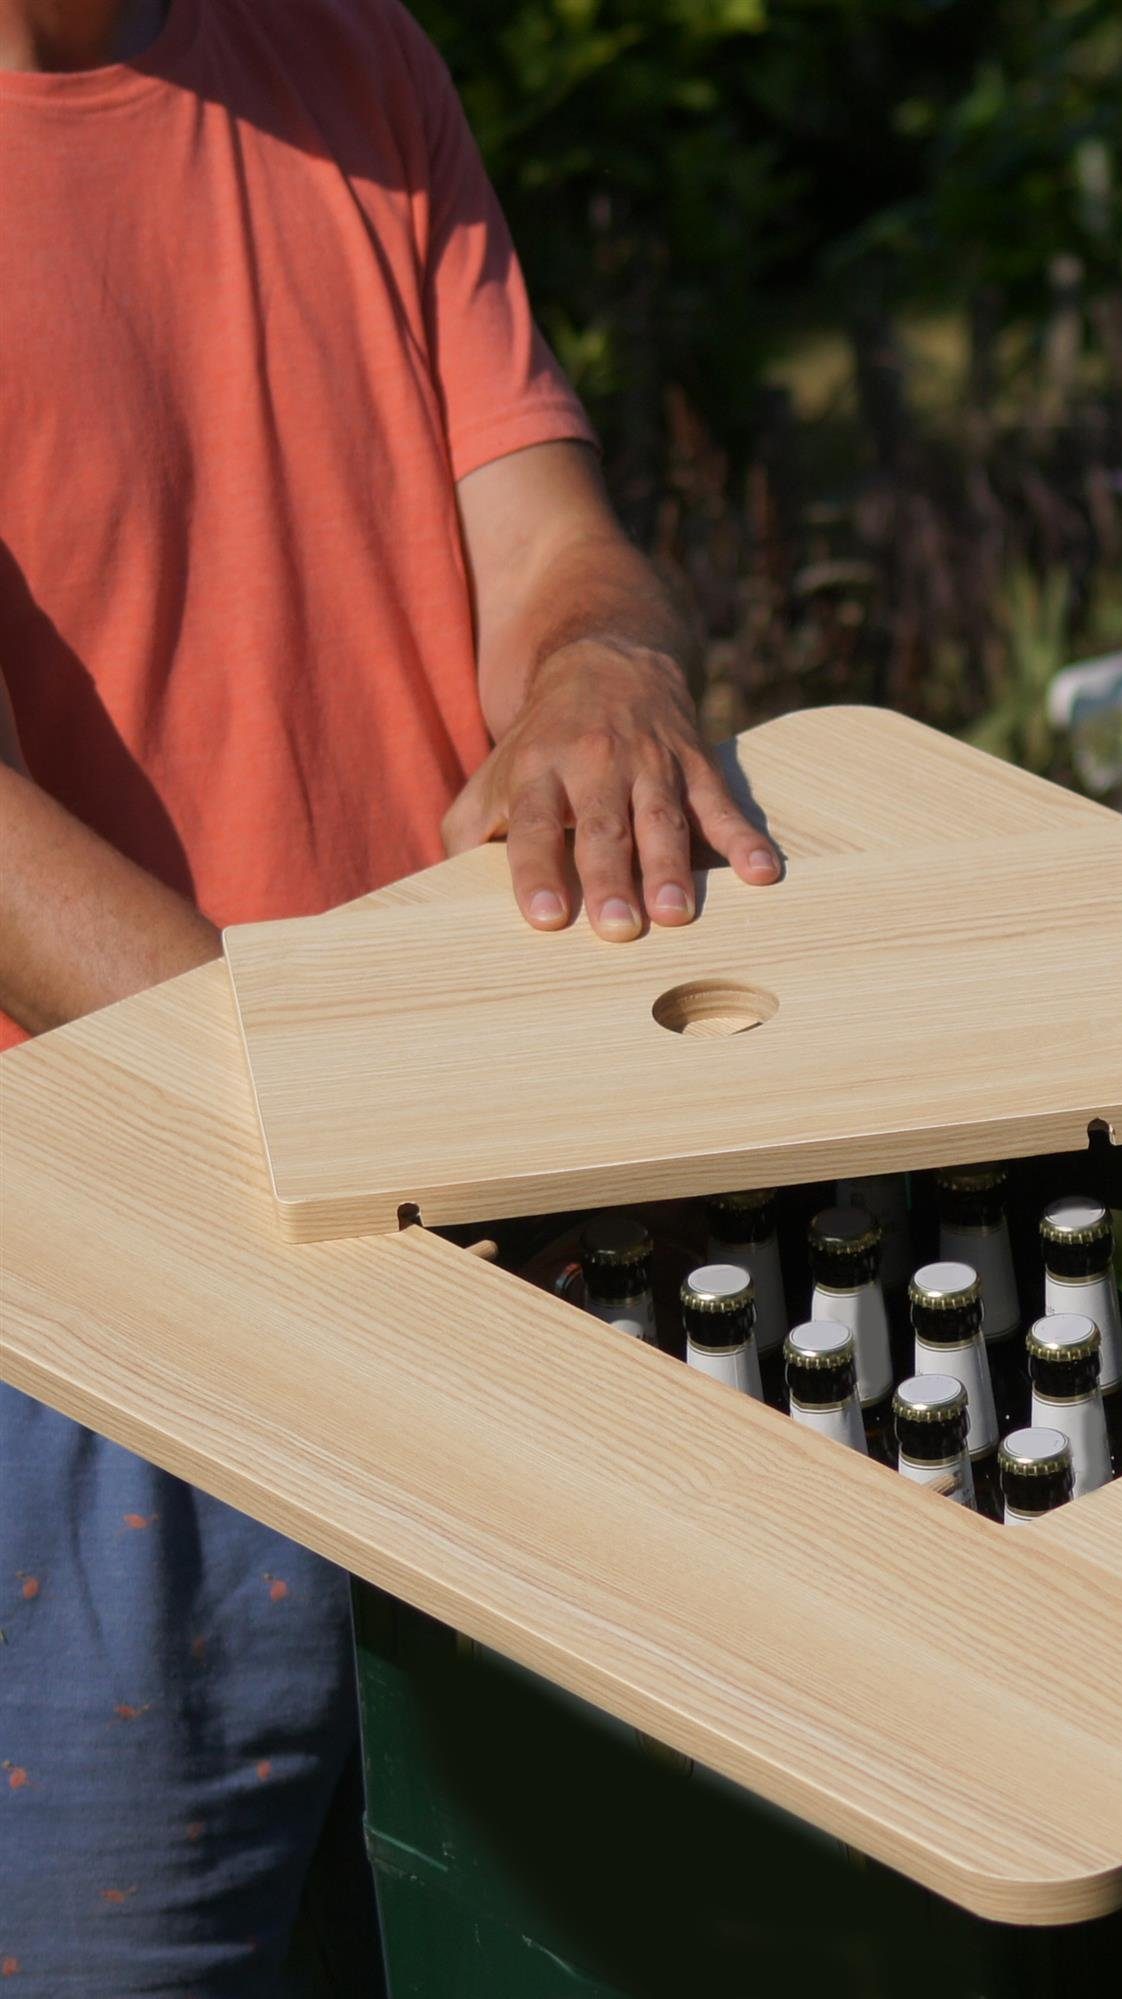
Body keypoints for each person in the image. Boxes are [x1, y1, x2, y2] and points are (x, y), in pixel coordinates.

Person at [0, 0, 778, 1985]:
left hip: (503, 1248)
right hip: (102, 1336)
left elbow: (547, 550)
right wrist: (374, 1104)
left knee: (560, 1945)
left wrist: (609, 668)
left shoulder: (358, 61)